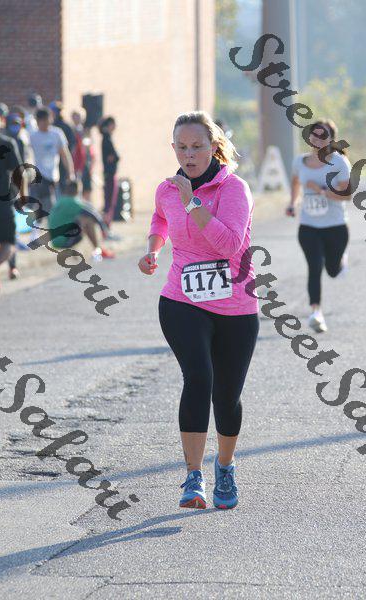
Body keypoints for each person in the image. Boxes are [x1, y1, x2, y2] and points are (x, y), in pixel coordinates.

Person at [138, 111, 259, 510]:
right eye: (182, 147)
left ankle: (225, 465)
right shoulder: (167, 189)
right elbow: (160, 218)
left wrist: (192, 203)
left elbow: (229, 245)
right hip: (182, 300)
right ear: (173, 148)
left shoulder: (234, 189)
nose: (188, 155)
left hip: (235, 306)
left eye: (197, 147)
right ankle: (193, 476)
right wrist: (154, 249)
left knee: (226, 396)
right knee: (199, 377)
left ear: (214, 147)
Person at [286, 119, 352, 333]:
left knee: (332, 271)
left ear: (331, 139)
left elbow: (347, 195)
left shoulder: (339, 162)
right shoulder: (299, 161)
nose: (318, 139)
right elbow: (295, 182)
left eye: (323, 135)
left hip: (335, 227)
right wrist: (292, 203)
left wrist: (321, 190)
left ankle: (339, 262)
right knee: (314, 267)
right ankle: (316, 312)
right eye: (314, 134)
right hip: (308, 226)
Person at [30, 107, 75, 232]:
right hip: (39, 176)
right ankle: (50, 230)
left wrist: (70, 172)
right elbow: (28, 155)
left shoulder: (57, 133)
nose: (44, 123)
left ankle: (40, 230)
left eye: (46, 120)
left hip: (54, 175)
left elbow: (64, 154)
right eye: (41, 120)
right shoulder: (32, 136)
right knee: (48, 203)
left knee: (45, 205)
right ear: (37, 121)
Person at [48, 180, 115, 259]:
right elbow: (93, 215)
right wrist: (103, 229)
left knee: (77, 219)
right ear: (77, 191)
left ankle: (88, 251)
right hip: (63, 242)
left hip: (55, 242)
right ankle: (98, 250)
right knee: (87, 220)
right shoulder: (73, 202)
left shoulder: (59, 201)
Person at [0, 130, 27, 293]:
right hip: (2, 202)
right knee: (8, 243)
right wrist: (23, 197)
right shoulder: (6, 142)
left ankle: (12, 267)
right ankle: (12, 267)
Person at [49, 101, 76, 193]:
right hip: (52, 160)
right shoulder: (50, 126)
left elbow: (71, 145)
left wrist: (67, 159)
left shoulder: (66, 126)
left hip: (63, 160)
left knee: (63, 185)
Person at [99, 116, 119, 228]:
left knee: (109, 201)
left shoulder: (107, 138)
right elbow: (115, 156)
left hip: (109, 174)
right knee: (109, 201)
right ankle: (106, 225)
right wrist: (114, 157)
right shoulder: (107, 139)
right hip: (110, 174)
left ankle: (107, 224)